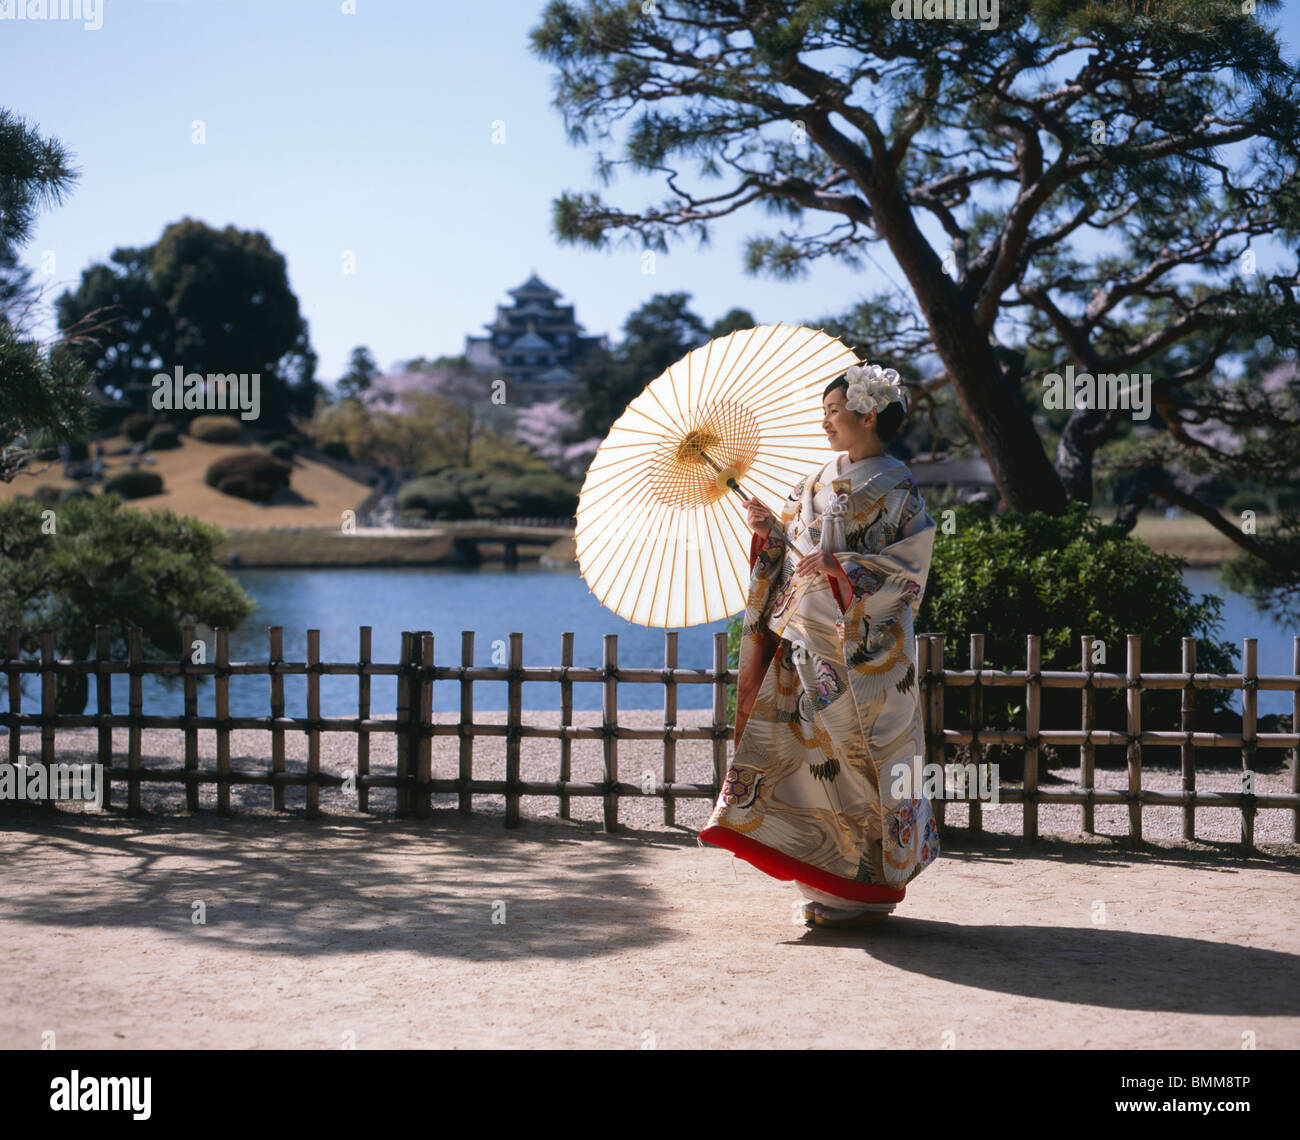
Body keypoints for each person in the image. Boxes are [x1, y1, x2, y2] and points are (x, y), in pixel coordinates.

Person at [697, 362, 939, 927]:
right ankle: (826, 880)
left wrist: (845, 565)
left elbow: (909, 569)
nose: (825, 422)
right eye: (825, 413)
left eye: (833, 411)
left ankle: (866, 887)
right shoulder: (811, 481)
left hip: (864, 652)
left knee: (862, 763)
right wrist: (766, 532)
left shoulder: (898, 484)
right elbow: (791, 547)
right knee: (806, 759)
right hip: (805, 641)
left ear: (867, 414)